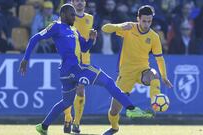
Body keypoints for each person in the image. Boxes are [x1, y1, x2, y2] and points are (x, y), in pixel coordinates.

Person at [19, 4, 154, 135]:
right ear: (63, 15)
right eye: (72, 15)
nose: (74, 17)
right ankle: (131, 108)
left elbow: (84, 48)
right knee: (108, 82)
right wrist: (25, 59)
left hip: (68, 72)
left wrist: (91, 39)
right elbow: (35, 38)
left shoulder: (74, 30)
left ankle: (43, 127)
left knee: (66, 102)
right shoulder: (56, 26)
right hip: (75, 68)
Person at [102, 5, 173, 135]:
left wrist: (164, 76)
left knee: (154, 74)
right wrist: (119, 27)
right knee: (114, 111)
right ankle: (114, 127)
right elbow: (105, 28)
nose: (147, 24)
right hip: (126, 74)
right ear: (138, 19)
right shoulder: (129, 27)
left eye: (149, 21)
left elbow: (159, 58)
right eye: (144, 21)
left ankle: (154, 100)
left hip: (143, 70)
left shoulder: (154, 36)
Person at [63, 0, 94, 134]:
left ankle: (76, 123)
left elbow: (87, 39)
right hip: (70, 59)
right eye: (77, 0)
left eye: (82, 0)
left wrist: (92, 39)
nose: (80, 3)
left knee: (80, 90)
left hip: (85, 60)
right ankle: (67, 117)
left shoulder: (90, 18)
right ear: (72, 2)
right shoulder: (66, 18)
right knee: (69, 91)